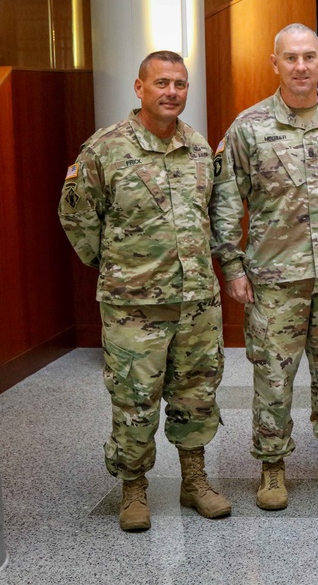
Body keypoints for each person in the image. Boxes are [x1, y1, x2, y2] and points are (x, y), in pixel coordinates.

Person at [58, 51, 232, 532]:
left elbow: (214, 213)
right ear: (140, 88)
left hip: (196, 300)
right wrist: (115, 265)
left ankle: (194, 481)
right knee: (135, 399)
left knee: (196, 394)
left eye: (179, 84)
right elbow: (76, 215)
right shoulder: (105, 149)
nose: (171, 92)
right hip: (133, 306)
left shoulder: (198, 148)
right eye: (161, 83)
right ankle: (133, 489)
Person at [211, 23, 318, 511]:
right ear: (274, 63)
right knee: (274, 377)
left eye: (308, 57)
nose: (300, 66)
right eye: (290, 58)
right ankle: (272, 466)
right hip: (273, 278)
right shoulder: (249, 127)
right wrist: (233, 267)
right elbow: (224, 200)